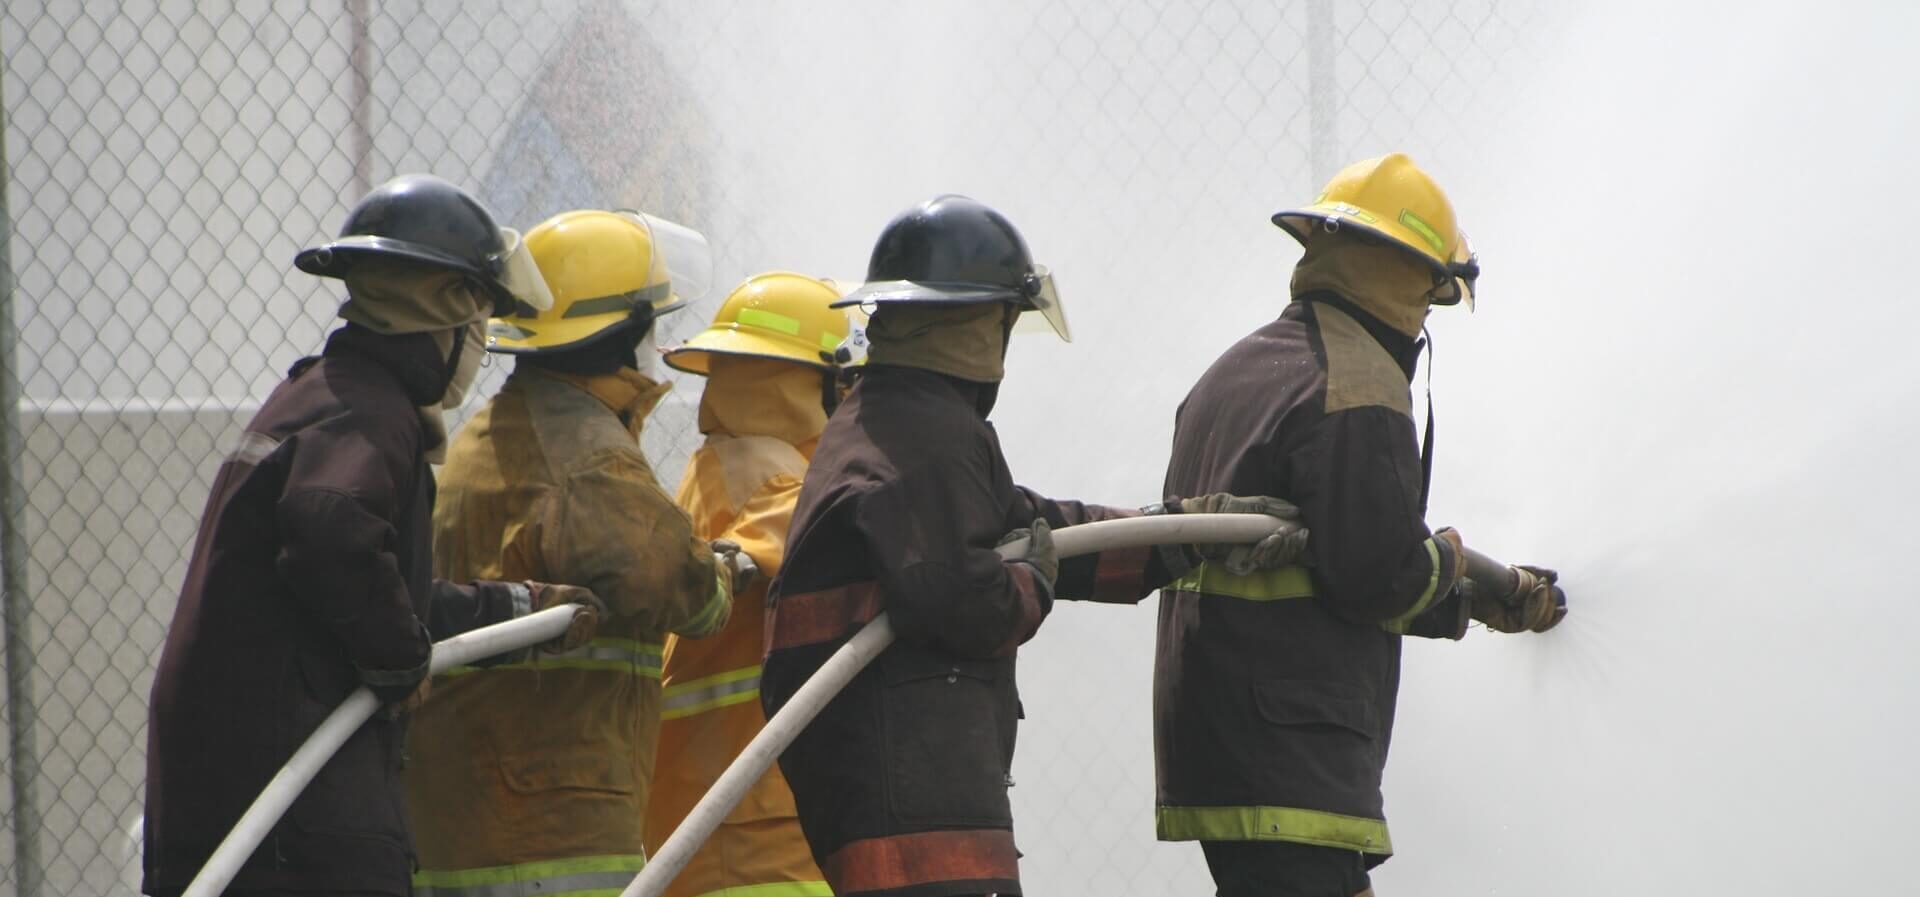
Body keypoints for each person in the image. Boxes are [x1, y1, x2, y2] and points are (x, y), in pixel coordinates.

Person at [761, 195, 1289, 897]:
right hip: (910, 798)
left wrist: (1187, 532)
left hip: (896, 777)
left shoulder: (896, 419)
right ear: (985, 324)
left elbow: (1038, 530)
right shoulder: (920, 436)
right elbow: (963, 596)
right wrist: (1030, 585)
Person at [143, 174, 602, 897]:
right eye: (480, 319)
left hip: (236, 805)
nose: (481, 346)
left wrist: (523, 608)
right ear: (443, 310)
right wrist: (400, 659)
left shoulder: (321, 397)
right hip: (296, 827)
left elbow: (387, 595)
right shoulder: (369, 412)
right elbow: (330, 529)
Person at [1154, 153, 1566, 897]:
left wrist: (1472, 600)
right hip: (1292, 750)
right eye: (1433, 293)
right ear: (1411, 277)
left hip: (1222, 744)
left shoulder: (1231, 372)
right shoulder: (1359, 385)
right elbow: (1378, 574)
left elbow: (1322, 559)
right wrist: (1451, 562)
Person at [404, 208, 740, 897]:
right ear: (623, 331)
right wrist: (721, 572)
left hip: (462, 824)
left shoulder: (488, 436)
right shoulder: (584, 451)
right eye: (652, 322)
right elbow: (671, 577)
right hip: (548, 831)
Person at [643, 271, 857, 897]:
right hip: (763, 837)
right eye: (845, 380)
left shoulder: (711, 472)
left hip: (693, 821)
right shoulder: (784, 487)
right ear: (810, 386)